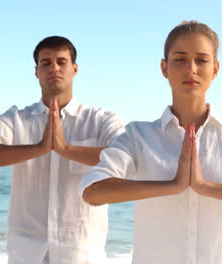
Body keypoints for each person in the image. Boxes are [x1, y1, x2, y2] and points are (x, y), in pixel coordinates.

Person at [0, 36, 124, 264]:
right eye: (46, 63)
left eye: (61, 62)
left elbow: (124, 159)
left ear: (75, 68)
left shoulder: (100, 120)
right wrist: (38, 148)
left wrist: (66, 149)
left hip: (82, 254)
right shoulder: (16, 119)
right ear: (36, 71)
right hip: (26, 254)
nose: (54, 68)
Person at [79, 21, 221, 263]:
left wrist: (203, 186)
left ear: (215, 69)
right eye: (180, 59)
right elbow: (92, 191)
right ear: (164, 68)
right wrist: (172, 186)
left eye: (202, 60)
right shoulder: (138, 136)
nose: (191, 69)